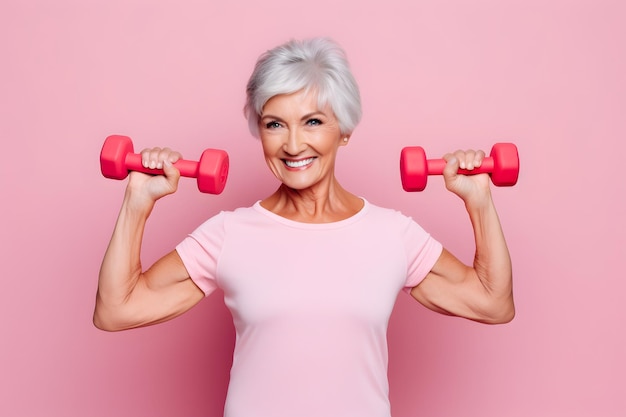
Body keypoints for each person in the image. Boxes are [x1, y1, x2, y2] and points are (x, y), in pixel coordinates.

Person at [94, 37, 514, 417]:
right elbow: (117, 310)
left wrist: (479, 202)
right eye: (275, 124)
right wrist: (137, 203)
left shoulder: (392, 235)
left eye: (312, 122)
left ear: (344, 131)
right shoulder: (229, 234)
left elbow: (492, 303)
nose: (293, 145)